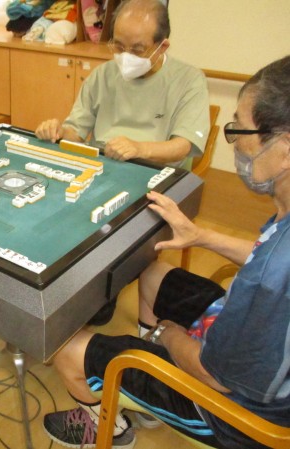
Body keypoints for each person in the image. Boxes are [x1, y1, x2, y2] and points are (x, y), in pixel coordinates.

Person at [43, 55, 290, 449]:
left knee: (64, 344)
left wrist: (166, 336)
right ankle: (145, 393)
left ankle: (108, 428)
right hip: (245, 354)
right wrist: (200, 236)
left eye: (239, 129)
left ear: (285, 145)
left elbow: (214, 376)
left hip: (234, 416)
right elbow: (265, 257)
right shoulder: (280, 243)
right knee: (153, 271)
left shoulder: (271, 276)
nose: (236, 143)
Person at [35, 0, 209, 168]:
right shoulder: (102, 75)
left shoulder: (189, 80)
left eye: (138, 49)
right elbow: (75, 132)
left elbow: (183, 145)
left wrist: (139, 149)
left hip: (153, 168)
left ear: (162, 47)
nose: (126, 56)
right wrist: (58, 132)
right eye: (118, 46)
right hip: (102, 164)